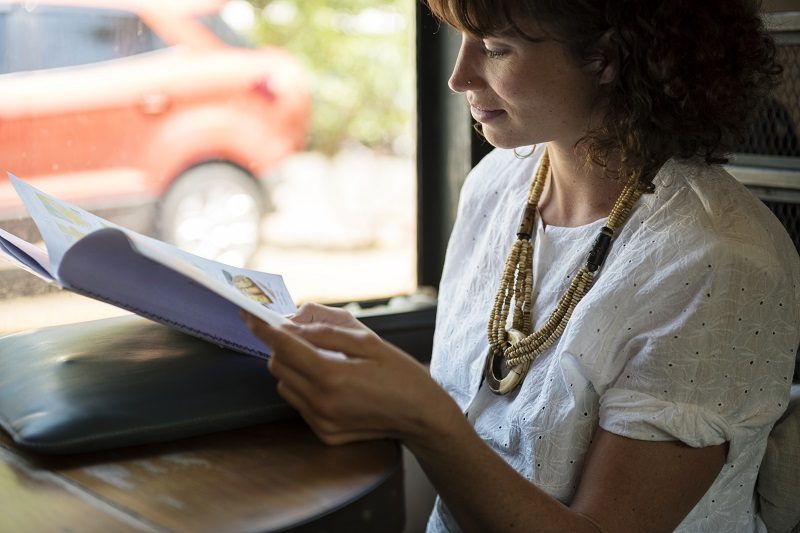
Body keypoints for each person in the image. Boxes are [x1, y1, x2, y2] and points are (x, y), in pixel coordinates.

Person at [242, 1, 800, 531]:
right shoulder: (497, 184)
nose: (459, 77)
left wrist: (423, 416)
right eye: (461, 41)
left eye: (494, 48)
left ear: (607, 59)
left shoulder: (719, 260)